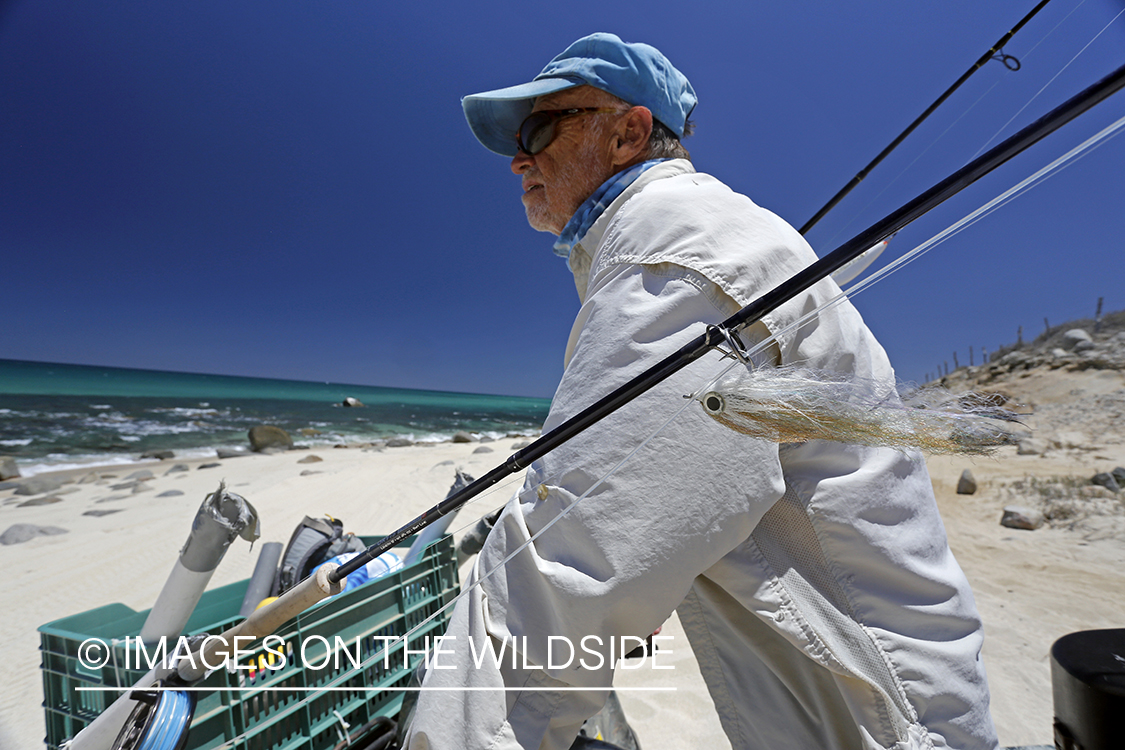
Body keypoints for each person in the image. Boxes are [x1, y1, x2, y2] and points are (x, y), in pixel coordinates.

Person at [406, 33, 999, 750]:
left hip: (886, 726)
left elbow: (567, 567)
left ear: (627, 133)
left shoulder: (674, 251)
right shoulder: (692, 237)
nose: (518, 160)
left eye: (537, 129)